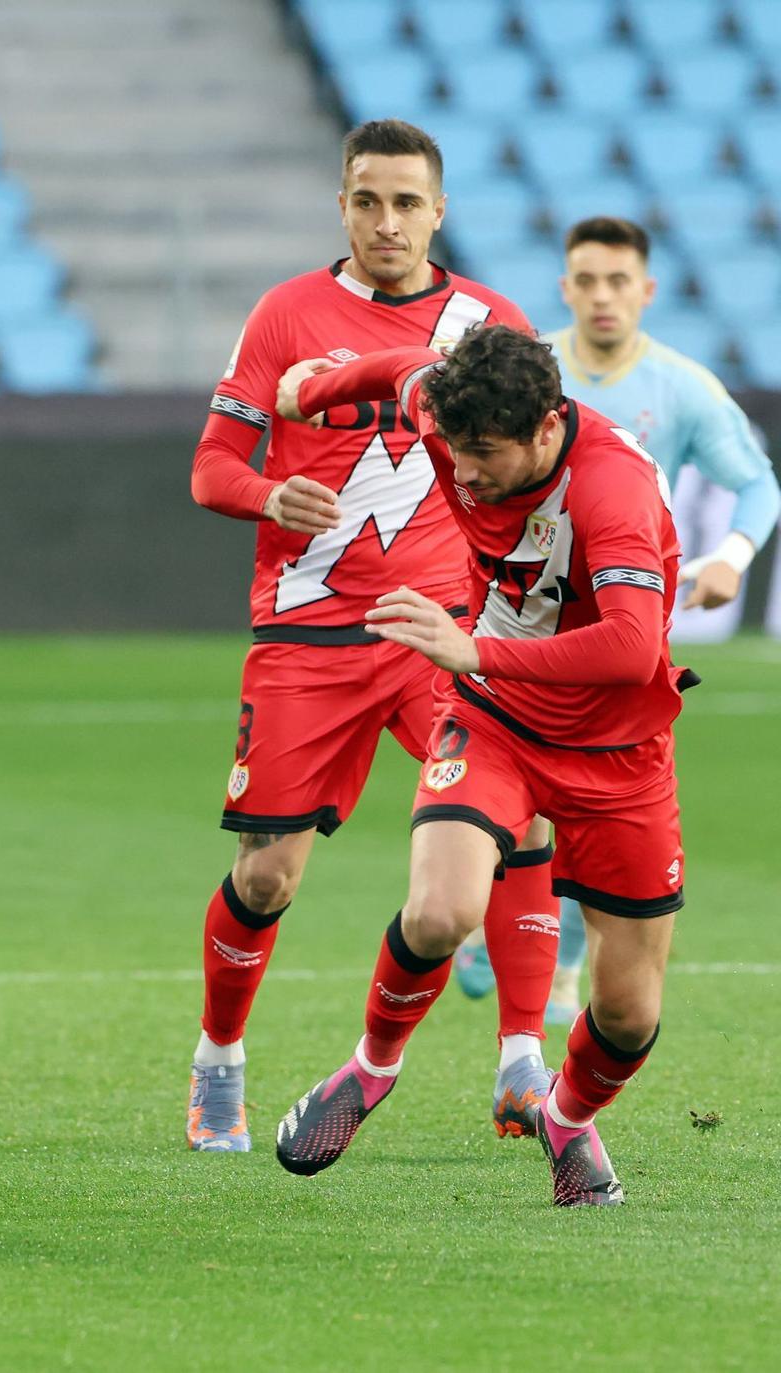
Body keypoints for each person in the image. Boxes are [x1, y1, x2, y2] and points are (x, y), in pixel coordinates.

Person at [184, 118, 555, 1153]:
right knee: (267, 876)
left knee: (519, 821)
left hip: (439, 634)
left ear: (437, 211)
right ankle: (219, 1058)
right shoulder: (285, 313)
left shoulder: (489, 323)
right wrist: (267, 494)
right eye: (364, 200)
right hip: (305, 633)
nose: (384, 221)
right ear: (339, 205)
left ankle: (521, 1058)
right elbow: (209, 468)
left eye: (404, 202)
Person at [272, 323, 691, 1206]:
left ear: (546, 426)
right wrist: (318, 388)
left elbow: (629, 646)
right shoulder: (455, 413)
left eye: (485, 456)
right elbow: (405, 369)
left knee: (627, 1012)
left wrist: (476, 652)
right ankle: (371, 1068)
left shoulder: (609, 488)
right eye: (455, 451)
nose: (462, 474)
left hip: (618, 749)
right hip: (496, 719)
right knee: (440, 909)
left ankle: (568, 1120)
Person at [454, 215, 779, 1023]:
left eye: (619, 281)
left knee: (590, 801)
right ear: (565, 287)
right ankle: (490, 910)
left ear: (647, 291)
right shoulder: (532, 374)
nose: (603, 297)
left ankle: (554, 966)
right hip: (517, 621)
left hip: (617, 628)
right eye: (587, 281)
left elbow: (759, 484)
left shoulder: (681, 387)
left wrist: (732, 555)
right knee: (515, 799)